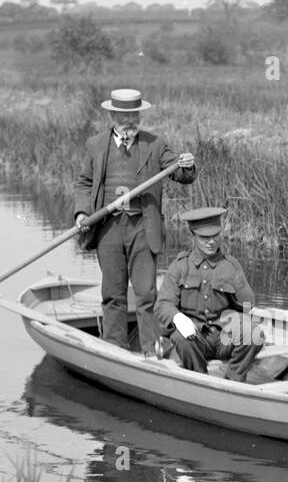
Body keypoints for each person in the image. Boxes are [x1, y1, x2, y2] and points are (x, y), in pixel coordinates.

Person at [73, 89, 196, 354]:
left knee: (146, 293)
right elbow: (83, 182)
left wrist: (186, 165)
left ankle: (151, 350)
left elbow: (181, 175)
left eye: (133, 114)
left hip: (143, 227)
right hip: (107, 228)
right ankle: (114, 349)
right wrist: (82, 213)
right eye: (123, 115)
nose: (129, 120)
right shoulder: (95, 145)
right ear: (113, 115)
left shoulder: (155, 144)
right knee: (113, 292)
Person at [155, 206, 265, 381]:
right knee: (181, 337)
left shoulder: (231, 265)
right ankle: (199, 379)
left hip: (223, 338)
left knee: (254, 334)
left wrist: (238, 283)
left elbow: (247, 306)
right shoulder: (180, 266)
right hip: (194, 338)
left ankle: (234, 379)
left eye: (215, 236)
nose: (211, 242)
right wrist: (178, 318)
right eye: (204, 237)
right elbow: (162, 304)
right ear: (193, 236)